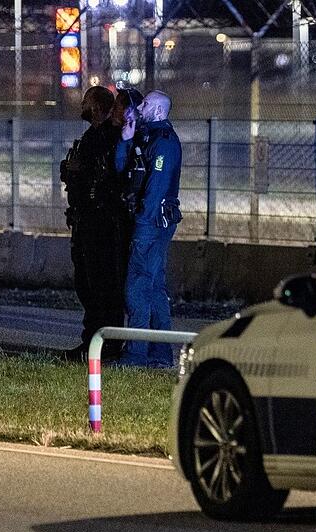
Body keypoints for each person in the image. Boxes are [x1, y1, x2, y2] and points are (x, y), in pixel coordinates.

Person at [60, 86, 130, 361]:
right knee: (87, 285)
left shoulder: (108, 138)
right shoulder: (92, 136)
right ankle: (92, 342)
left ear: (99, 107)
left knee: (103, 287)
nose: (83, 106)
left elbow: (107, 177)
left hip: (101, 223)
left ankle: (105, 345)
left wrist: (81, 171)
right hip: (84, 221)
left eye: (87, 102)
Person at [115, 91, 182, 368]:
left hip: (152, 224)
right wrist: (125, 141)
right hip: (148, 221)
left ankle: (136, 354)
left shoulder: (164, 143)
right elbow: (122, 169)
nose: (139, 107)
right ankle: (160, 354)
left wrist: (141, 223)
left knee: (137, 287)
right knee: (153, 288)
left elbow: (156, 189)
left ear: (157, 111)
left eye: (144, 104)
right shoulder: (145, 137)